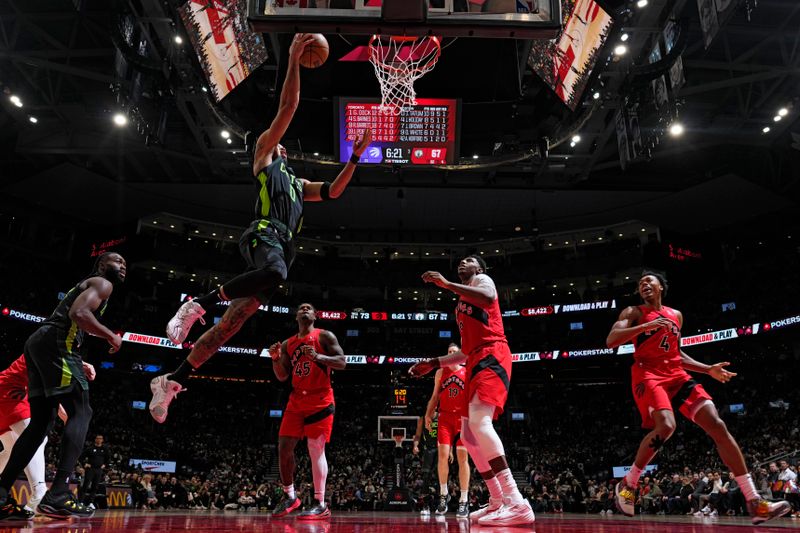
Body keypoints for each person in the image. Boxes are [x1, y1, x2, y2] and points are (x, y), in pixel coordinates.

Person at [149, 34, 371, 424]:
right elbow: (289, 106)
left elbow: (334, 191)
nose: (283, 142)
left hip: (282, 247)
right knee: (273, 272)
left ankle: (172, 380)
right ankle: (198, 302)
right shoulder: (265, 159)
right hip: (263, 234)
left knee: (230, 327)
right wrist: (292, 61)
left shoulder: (299, 186)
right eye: (278, 138)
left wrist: (355, 156)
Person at [607, 270, 791, 525]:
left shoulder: (676, 315)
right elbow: (611, 340)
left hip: (676, 374)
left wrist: (707, 369)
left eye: (649, 281)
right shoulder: (633, 312)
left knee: (717, 425)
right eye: (640, 283)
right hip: (647, 373)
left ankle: (754, 501)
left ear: (661, 286)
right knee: (667, 426)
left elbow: (676, 354)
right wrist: (646, 326)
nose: (644, 285)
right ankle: (629, 482)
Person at [409, 255, 534, 527]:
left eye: (469, 260)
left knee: (479, 421)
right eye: (461, 261)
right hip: (476, 358)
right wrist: (433, 363)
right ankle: (498, 499)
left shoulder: (482, 281)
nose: (462, 263)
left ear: (479, 268)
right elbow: (465, 352)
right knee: (468, 432)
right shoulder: (461, 305)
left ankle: (515, 500)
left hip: (493, 354)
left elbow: (489, 297)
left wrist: (446, 283)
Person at [0, 252, 125, 520]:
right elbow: (78, 313)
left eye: (125, 263)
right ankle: (57, 495)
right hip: (55, 343)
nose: (123, 266)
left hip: (38, 343)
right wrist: (111, 336)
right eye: (118, 261)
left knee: (40, 424)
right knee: (82, 411)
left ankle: (1, 494)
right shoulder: (103, 283)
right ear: (102, 265)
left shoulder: (88, 285)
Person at [268, 303, 345, 519]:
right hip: (296, 399)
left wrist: (318, 357)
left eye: (308, 308)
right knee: (283, 447)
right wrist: (275, 360)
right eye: (300, 307)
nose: (304, 309)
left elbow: (342, 362)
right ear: (296, 316)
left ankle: (320, 503)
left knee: (315, 448)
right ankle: (290, 497)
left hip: (320, 398)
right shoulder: (288, 344)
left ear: (315, 316)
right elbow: (282, 376)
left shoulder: (324, 336)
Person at [0, 356, 79, 514]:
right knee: (37, 438)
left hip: (9, 391)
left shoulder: (51, 351)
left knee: (11, 451)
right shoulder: (49, 349)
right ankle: (39, 492)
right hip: (10, 391)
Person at [422, 342, 470, 518]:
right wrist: (428, 415)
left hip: (463, 418)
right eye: (448, 352)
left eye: (454, 352)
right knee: (442, 455)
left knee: (462, 457)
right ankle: (444, 495)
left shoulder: (467, 371)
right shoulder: (440, 372)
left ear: (459, 355)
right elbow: (435, 396)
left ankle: (464, 499)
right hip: (444, 418)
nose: (451, 354)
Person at [80, 434, 108, 510]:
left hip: (99, 470)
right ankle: (81, 502)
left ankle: (90, 503)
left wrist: (105, 465)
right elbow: (81, 457)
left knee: (95, 487)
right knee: (86, 485)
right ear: (95, 440)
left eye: (101, 438)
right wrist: (84, 464)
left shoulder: (104, 449)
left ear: (102, 440)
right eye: (98, 438)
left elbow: (108, 458)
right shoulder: (90, 448)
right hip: (90, 469)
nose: (99, 440)